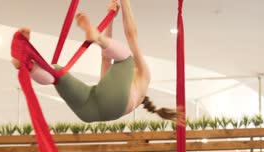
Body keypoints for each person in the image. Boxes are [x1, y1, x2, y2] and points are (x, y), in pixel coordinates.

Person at [12, 0, 184, 124]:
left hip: (105, 102)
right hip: (89, 110)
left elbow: (131, 38)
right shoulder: (119, 86)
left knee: (126, 58)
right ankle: (27, 65)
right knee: (57, 73)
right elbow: (106, 55)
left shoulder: (142, 76)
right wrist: (110, 21)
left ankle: (96, 38)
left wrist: (125, 3)